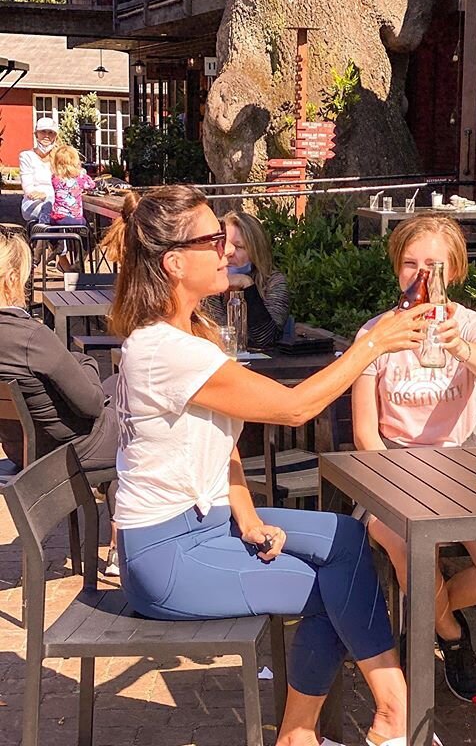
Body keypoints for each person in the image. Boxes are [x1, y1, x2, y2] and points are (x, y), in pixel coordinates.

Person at [101, 185, 440, 746]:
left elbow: (222, 442)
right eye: (212, 240)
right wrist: (373, 344)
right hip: (163, 557)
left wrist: (250, 516)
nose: (226, 249)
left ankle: (356, 720)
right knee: (332, 586)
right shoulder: (167, 350)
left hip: (206, 523)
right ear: (174, 263)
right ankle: (366, 718)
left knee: (347, 540)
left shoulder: (191, 334)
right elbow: (294, 408)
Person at [351, 215, 476, 705]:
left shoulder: (472, 323)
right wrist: (400, 484)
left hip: (462, 474)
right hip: (393, 474)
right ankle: (451, 635)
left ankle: (426, 611)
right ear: (396, 270)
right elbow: (367, 435)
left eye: (433, 265)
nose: (421, 275)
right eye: (410, 264)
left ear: (454, 270)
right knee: (410, 545)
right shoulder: (376, 334)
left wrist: (461, 346)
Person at [0, 225, 120, 576]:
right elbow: (91, 405)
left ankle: (117, 535)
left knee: (118, 390)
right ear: (9, 279)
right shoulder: (29, 336)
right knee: (134, 420)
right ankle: (123, 544)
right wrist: (85, 364)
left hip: (22, 447)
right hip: (67, 447)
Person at [204, 210, 290, 349]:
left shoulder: (273, 282)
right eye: (223, 245)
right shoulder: (204, 282)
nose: (228, 253)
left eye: (238, 247)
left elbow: (266, 339)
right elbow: (214, 337)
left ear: (255, 251)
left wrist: (248, 286)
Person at [46, 144, 96, 272]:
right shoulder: (80, 178)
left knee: (53, 221)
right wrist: (83, 173)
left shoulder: (55, 178)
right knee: (89, 234)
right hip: (75, 220)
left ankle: (58, 248)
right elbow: (92, 185)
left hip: (58, 218)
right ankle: (79, 260)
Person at [19, 117, 57, 223]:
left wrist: (49, 196)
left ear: (55, 136)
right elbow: (28, 188)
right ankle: (43, 237)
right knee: (48, 210)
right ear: (36, 134)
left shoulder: (59, 157)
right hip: (33, 203)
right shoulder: (26, 156)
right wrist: (40, 195)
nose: (46, 136)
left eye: (51, 132)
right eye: (43, 132)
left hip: (58, 202)